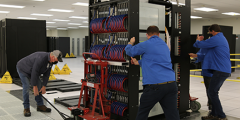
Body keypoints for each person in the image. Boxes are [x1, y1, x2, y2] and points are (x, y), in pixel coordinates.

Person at [125, 26, 180, 120]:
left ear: (147, 35)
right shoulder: (164, 45)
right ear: (158, 34)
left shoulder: (146, 44)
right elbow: (157, 60)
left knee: (143, 113)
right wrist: (138, 62)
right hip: (171, 84)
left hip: (155, 86)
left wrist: (130, 43)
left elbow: (130, 52)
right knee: (172, 115)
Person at [193, 24, 231, 120]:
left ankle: (222, 116)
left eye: (210, 32)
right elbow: (207, 52)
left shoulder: (216, 38)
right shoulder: (221, 39)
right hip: (221, 69)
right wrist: (197, 56)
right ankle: (214, 114)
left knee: (212, 92)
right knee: (213, 92)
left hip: (220, 70)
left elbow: (200, 44)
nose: (209, 34)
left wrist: (198, 40)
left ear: (213, 31)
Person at [16, 50, 63, 117]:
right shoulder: (41, 58)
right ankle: (26, 108)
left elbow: (47, 74)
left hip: (32, 71)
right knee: (26, 87)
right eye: (57, 59)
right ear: (53, 56)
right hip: (23, 69)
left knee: (40, 85)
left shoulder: (51, 62)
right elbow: (34, 72)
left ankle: (40, 105)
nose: (57, 61)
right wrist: (34, 87)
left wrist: (44, 86)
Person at [189, 46, 213, 111]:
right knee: (211, 89)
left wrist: (194, 59)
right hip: (212, 71)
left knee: (210, 89)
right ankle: (211, 103)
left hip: (208, 71)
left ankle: (212, 104)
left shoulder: (206, 48)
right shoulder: (213, 47)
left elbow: (199, 57)